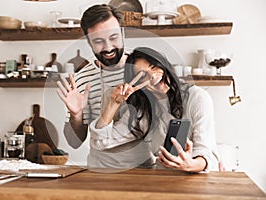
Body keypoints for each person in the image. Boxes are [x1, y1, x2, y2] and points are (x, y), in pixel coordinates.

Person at [88, 47, 220, 172]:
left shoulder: (197, 97)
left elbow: (205, 151)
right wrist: (113, 103)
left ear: (164, 66)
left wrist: (190, 165)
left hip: (197, 176)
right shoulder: (143, 111)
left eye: (154, 67)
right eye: (142, 75)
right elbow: (101, 142)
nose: (152, 75)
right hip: (164, 178)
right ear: (139, 86)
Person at [57, 4, 128, 148]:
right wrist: (76, 115)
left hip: (144, 166)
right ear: (89, 42)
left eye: (113, 37)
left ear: (123, 34)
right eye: (98, 41)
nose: (108, 48)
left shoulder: (144, 70)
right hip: (100, 166)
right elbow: (74, 142)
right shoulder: (81, 80)